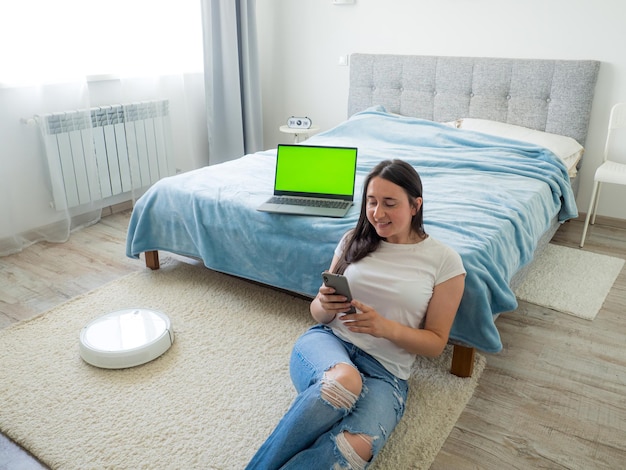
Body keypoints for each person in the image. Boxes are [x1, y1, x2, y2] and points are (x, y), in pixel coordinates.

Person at [246, 159, 466, 469]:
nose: (377, 213)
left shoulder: (445, 262)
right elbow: (317, 315)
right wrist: (324, 303)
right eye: (372, 202)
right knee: (344, 383)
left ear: (416, 205)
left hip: (386, 372)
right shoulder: (353, 239)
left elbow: (435, 343)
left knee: (353, 449)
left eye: (390, 203)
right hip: (329, 344)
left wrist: (383, 327)